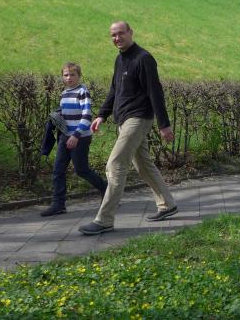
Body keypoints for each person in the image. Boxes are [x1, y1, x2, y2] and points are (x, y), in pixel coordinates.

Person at [78, 21, 178, 235]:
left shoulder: (143, 58)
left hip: (138, 118)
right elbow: (114, 90)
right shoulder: (120, 59)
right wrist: (102, 115)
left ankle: (104, 220)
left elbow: (155, 92)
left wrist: (164, 124)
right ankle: (167, 204)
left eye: (121, 33)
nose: (117, 38)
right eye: (113, 35)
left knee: (115, 164)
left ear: (131, 33)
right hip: (123, 120)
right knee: (143, 165)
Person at [40, 62, 107, 217]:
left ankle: (107, 190)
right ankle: (58, 205)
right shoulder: (64, 93)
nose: (69, 78)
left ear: (79, 76)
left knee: (81, 170)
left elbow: (87, 116)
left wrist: (76, 135)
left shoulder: (83, 92)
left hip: (80, 137)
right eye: (66, 75)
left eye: (72, 75)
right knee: (58, 170)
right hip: (65, 137)